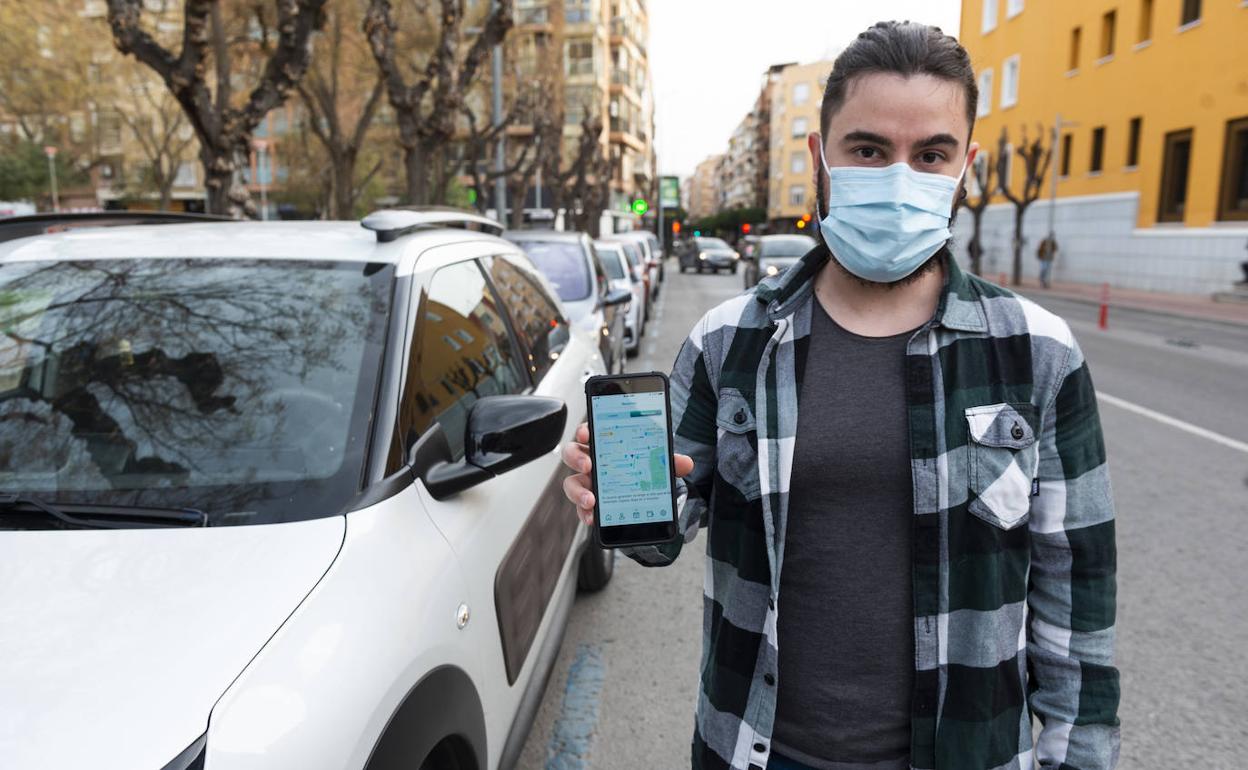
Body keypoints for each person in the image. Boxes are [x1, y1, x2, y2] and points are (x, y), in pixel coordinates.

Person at [562, 21, 1119, 770]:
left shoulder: (1038, 353)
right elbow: (661, 538)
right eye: (867, 149)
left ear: (966, 166)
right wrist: (617, 493)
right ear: (821, 157)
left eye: (930, 154)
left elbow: (1075, 608)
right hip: (754, 751)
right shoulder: (728, 342)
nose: (898, 177)